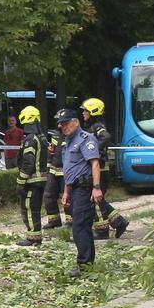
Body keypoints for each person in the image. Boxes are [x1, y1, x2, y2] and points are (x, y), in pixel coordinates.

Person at [56, 108, 103, 277]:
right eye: (61, 124)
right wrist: (66, 192)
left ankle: (84, 266)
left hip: (84, 189)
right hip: (74, 189)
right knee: (80, 227)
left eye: (66, 123)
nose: (63, 126)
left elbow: (95, 164)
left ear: (76, 122)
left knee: (80, 227)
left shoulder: (86, 139)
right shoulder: (68, 141)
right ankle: (86, 265)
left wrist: (96, 188)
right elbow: (70, 170)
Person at [80, 97, 129, 241]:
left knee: (95, 200)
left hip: (99, 170)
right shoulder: (92, 127)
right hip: (99, 170)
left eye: (86, 111)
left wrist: (93, 151)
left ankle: (102, 231)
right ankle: (119, 221)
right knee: (98, 200)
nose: (83, 113)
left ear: (93, 111)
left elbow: (106, 136)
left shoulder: (97, 126)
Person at [13, 105, 49, 247]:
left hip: (31, 181)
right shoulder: (42, 137)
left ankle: (32, 238)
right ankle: (36, 236)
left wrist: (21, 181)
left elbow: (28, 162)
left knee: (28, 208)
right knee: (35, 208)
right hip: (40, 180)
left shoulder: (30, 139)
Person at [41, 118, 67, 232]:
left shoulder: (72, 135)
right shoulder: (55, 136)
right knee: (48, 195)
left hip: (66, 171)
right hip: (53, 170)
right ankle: (54, 220)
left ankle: (71, 221)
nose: (59, 124)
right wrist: (48, 167)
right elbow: (51, 152)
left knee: (66, 197)